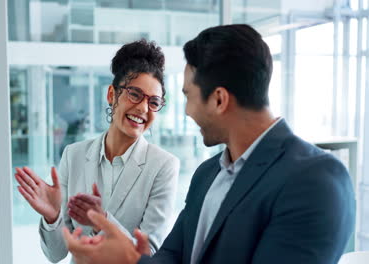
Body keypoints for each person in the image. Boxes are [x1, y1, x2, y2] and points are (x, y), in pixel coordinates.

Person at [62, 24, 356, 264]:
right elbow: (171, 257)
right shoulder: (207, 175)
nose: (187, 111)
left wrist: (129, 261)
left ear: (218, 99)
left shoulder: (315, 180)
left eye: (188, 96)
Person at [14, 39, 179, 263]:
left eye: (154, 102)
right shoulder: (74, 155)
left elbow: (147, 254)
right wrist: (52, 216)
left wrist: (102, 220)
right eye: (135, 94)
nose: (143, 108)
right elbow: (56, 254)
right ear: (112, 94)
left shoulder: (163, 166)